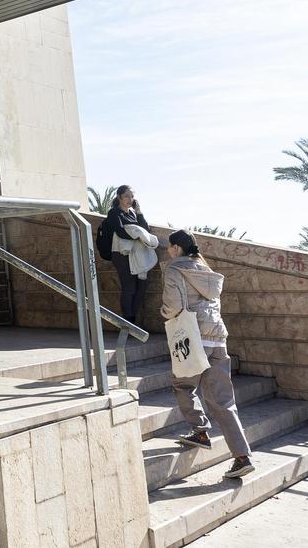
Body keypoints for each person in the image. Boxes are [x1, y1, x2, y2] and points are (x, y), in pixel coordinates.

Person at [161, 230, 254, 479]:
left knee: (183, 385)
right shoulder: (208, 272)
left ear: (177, 248)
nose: (168, 251)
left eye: (170, 247)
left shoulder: (174, 270)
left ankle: (200, 430)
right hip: (218, 338)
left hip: (192, 338)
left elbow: (173, 307)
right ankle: (242, 456)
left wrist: (164, 313)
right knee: (223, 400)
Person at [106, 185, 151, 325]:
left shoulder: (133, 213)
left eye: (132, 196)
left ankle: (132, 320)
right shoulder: (114, 213)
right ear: (119, 197)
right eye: (126, 196)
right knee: (129, 287)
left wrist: (139, 212)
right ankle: (128, 321)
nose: (130, 199)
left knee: (141, 286)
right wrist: (138, 236)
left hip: (137, 254)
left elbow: (146, 230)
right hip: (121, 254)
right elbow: (120, 232)